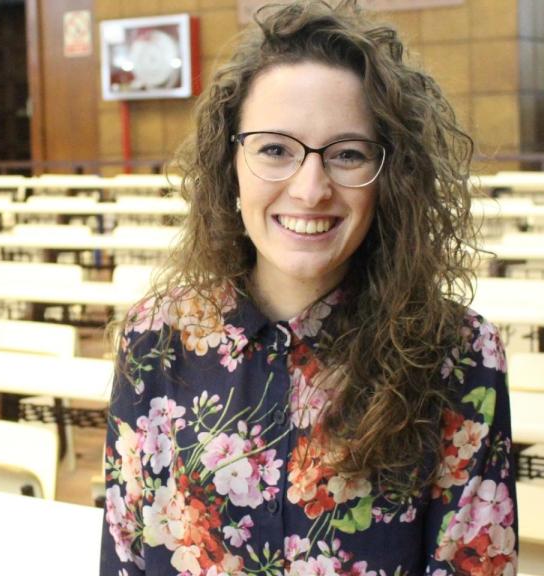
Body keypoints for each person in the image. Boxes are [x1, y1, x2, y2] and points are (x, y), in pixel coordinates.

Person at [100, 1, 516, 574]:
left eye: (348, 154)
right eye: (275, 149)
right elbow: (126, 550)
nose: (311, 188)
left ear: (390, 176)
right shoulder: (155, 336)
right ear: (230, 164)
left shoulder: (459, 356)